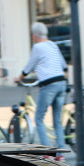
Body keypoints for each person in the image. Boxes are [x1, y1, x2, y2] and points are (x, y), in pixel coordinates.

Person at [14, 22, 68, 157]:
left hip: (49, 85)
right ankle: (60, 153)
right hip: (61, 82)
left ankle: (47, 152)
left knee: (39, 118)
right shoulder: (53, 45)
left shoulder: (38, 47)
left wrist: (19, 78)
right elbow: (64, 66)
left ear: (34, 35)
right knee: (57, 119)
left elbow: (29, 66)